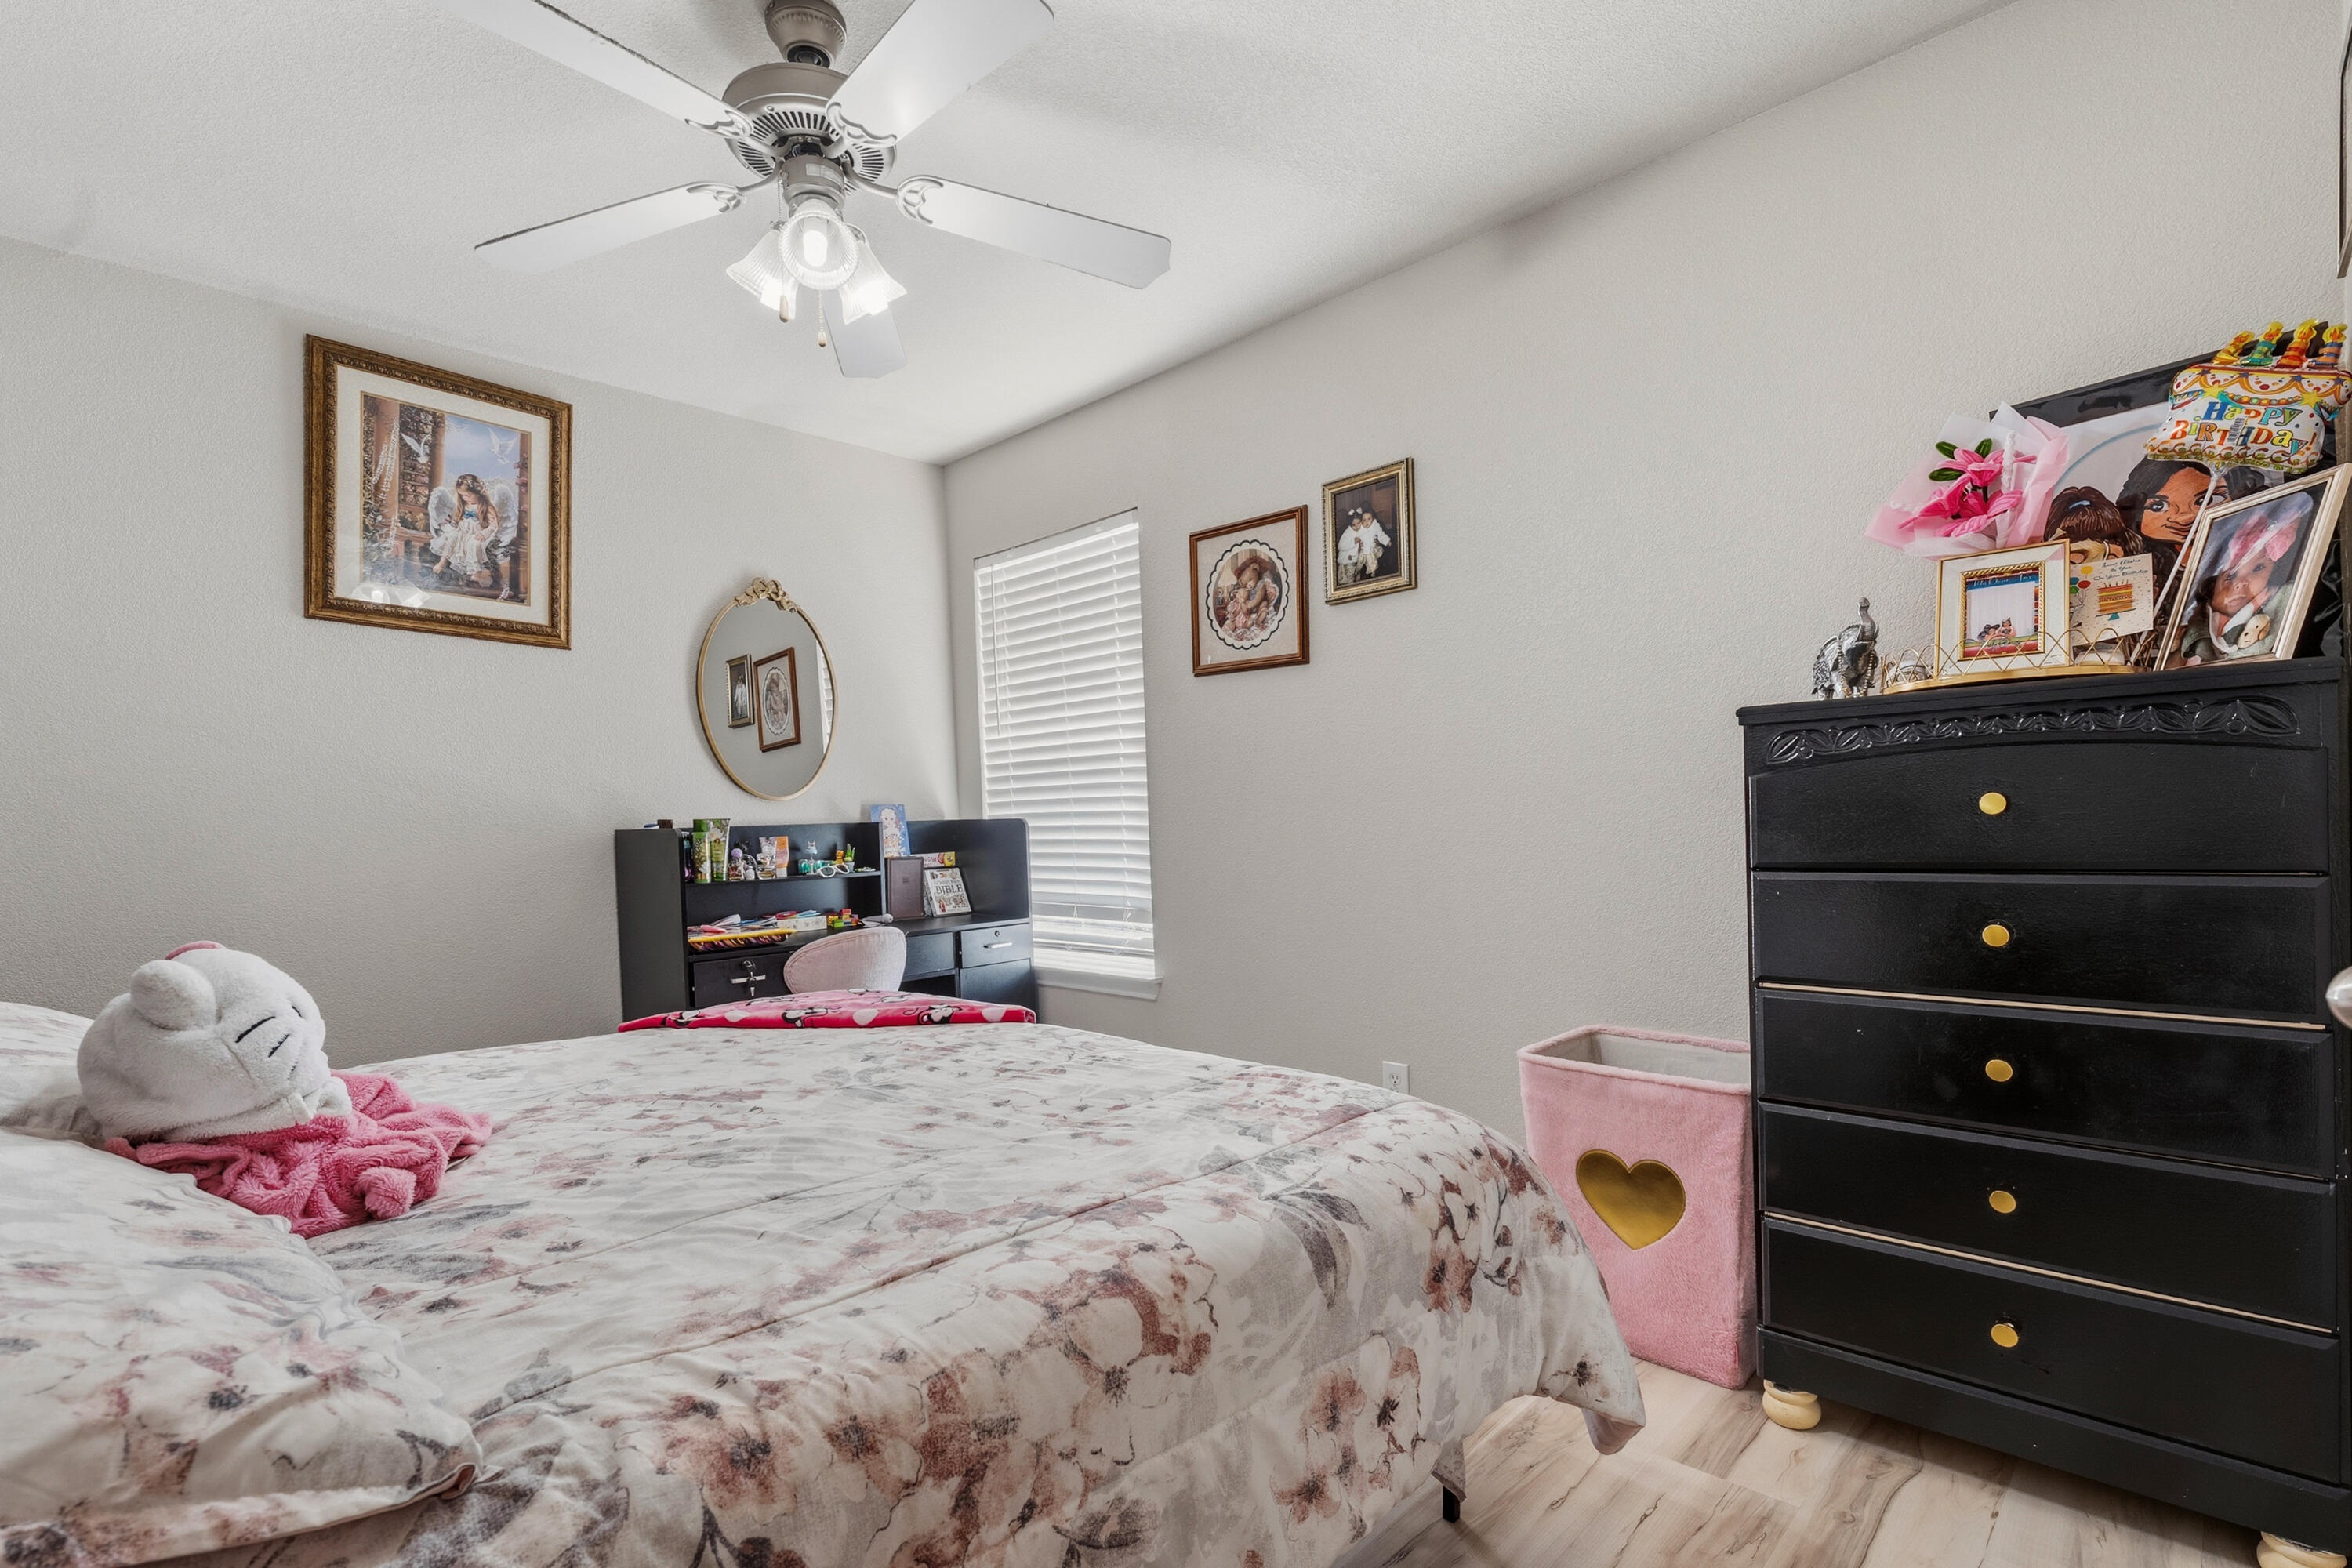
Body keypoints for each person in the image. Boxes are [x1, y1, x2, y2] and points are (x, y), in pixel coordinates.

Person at [2177, 495, 2309, 663]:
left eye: (2258, 568)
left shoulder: (2280, 601)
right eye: (2230, 576)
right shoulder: (2203, 625)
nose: (2240, 583)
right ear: (2211, 588)